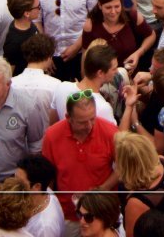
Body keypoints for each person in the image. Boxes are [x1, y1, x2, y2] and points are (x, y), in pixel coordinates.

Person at [43, 85, 119, 223]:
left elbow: (123, 167)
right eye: (82, 122)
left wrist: (102, 189)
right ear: (68, 117)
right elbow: (48, 177)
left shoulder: (110, 132)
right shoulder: (52, 136)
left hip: (102, 214)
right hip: (67, 215)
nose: (89, 125)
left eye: (92, 118)